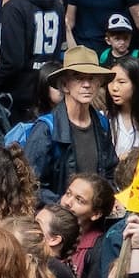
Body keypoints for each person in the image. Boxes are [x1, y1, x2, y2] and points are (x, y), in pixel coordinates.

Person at [22, 48, 116, 206]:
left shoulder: (102, 123)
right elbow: (30, 185)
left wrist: (109, 199)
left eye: (92, 78)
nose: (87, 85)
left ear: (99, 83)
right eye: (79, 78)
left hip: (95, 215)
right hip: (58, 216)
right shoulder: (47, 128)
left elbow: (110, 171)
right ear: (65, 85)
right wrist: (66, 205)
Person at [0, 0, 64, 126]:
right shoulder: (57, 5)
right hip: (49, 89)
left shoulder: (14, 7)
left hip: (19, 99)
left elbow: (12, 63)